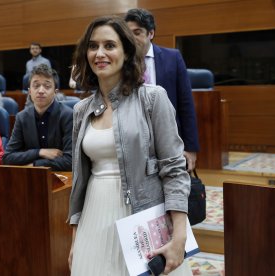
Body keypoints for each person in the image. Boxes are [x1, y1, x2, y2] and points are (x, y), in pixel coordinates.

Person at [68, 16, 191, 276]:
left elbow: (174, 168)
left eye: (109, 46)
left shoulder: (152, 98)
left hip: (144, 215)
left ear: (126, 52)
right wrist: (75, 236)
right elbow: (80, 179)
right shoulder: (81, 110)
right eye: (93, 46)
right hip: (94, 215)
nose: (100, 53)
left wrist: (179, 235)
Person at [125, 8, 199, 171]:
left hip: (170, 135)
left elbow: (185, 104)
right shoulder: (122, 61)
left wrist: (191, 148)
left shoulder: (173, 57)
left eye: (137, 32)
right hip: (136, 138)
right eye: (128, 33)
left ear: (151, 33)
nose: (132, 38)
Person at [3, 64, 72, 171]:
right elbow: (8, 157)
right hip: (32, 178)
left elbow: (70, 161)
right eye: (36, 86)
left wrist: (35, 165)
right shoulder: (22, 117)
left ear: (55, 92)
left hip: (62, 179)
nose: (41, 90)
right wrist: (39, 152)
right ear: (30, 91)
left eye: (47, 86)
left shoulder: (68, 115)